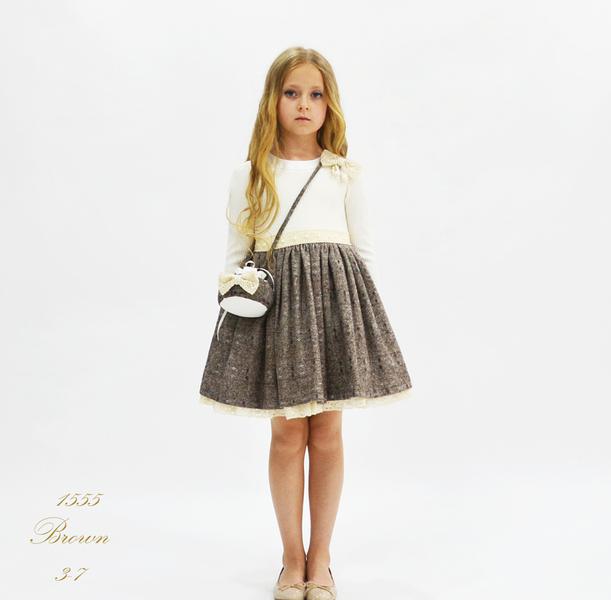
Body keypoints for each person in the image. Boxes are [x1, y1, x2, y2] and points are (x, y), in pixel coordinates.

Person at [198, 46, 413, 600]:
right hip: (278, 316)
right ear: (272, 101)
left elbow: (362, 253)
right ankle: (291, 559)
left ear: (329, 104)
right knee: (287, 432)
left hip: (335, 309)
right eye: (292, 92)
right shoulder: (250, 175)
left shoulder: (343, 174)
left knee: (329, 432)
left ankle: (322, 559)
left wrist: (362, 326)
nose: (303, 104)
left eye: (315, 94)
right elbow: (235, 258)